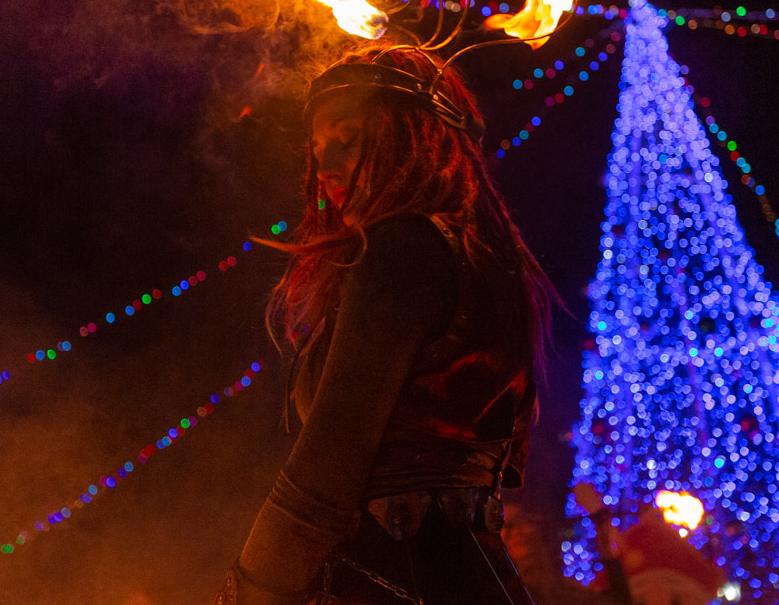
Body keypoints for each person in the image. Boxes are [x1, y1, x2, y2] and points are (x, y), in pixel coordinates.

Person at [215, 43, 555, 604]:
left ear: (411, 137)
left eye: (347, 140)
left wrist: (249, 594)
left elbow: (323, 475)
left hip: (391, 580)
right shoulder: (485, 258)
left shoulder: (403, 248)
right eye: (318, 149)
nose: (325, 168)